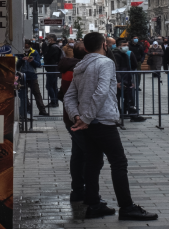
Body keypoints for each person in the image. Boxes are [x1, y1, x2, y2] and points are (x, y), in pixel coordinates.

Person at [63, 32, 158, 221]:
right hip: (103, 121)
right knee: (119, 162)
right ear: (105, 45)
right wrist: (87, 118)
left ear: (86, 48)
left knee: (93, 162)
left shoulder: (80, 65)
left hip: (87, 122)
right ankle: (127, 207)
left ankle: (93, 204)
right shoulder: (105, 63)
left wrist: (77, 116)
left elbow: (69, 96)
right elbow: (101, 92)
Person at [58, 42, 90, 201]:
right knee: (89, 155)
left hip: (70, 116)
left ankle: (78, 190)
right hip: (78, 117)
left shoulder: (69, 68)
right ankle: (87, 192)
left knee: (78, 154)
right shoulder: (77, 71)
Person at [112, 38, 146, 122]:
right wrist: (119, 81)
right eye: (124, 45)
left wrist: (130, 82)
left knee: (129, 98)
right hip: (121, 80)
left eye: (127, 45)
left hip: (126, 79)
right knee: (122, 98)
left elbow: (128, 69)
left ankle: (130, 114)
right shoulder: (116, 54)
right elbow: (117, 69)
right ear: (118, 46)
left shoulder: (124, 54)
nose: (126, 47)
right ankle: (127, 114)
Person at [17, 40, 49, 117]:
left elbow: (38, 64)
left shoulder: (35, 52)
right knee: (23, 94)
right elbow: (16, 65)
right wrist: (21, 60)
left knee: (37, 93)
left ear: (30, 46)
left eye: (27, 46)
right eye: (25, 46)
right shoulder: (19, 52)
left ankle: (42, 110)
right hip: (22, 76)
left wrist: (32, 61)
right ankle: (27, 108)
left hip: (32, 75)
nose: (26, 48)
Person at [42, 34, 63, 109]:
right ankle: (55, 101)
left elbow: (47, 56)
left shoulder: (53, 47)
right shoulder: (54, 46)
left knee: (49, 86)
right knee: (54, 86)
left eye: (47, 39)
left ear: (52, 39)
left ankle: (54, 101)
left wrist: (45, 48)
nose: (46, 40)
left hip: (52, 68)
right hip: (53, 68)